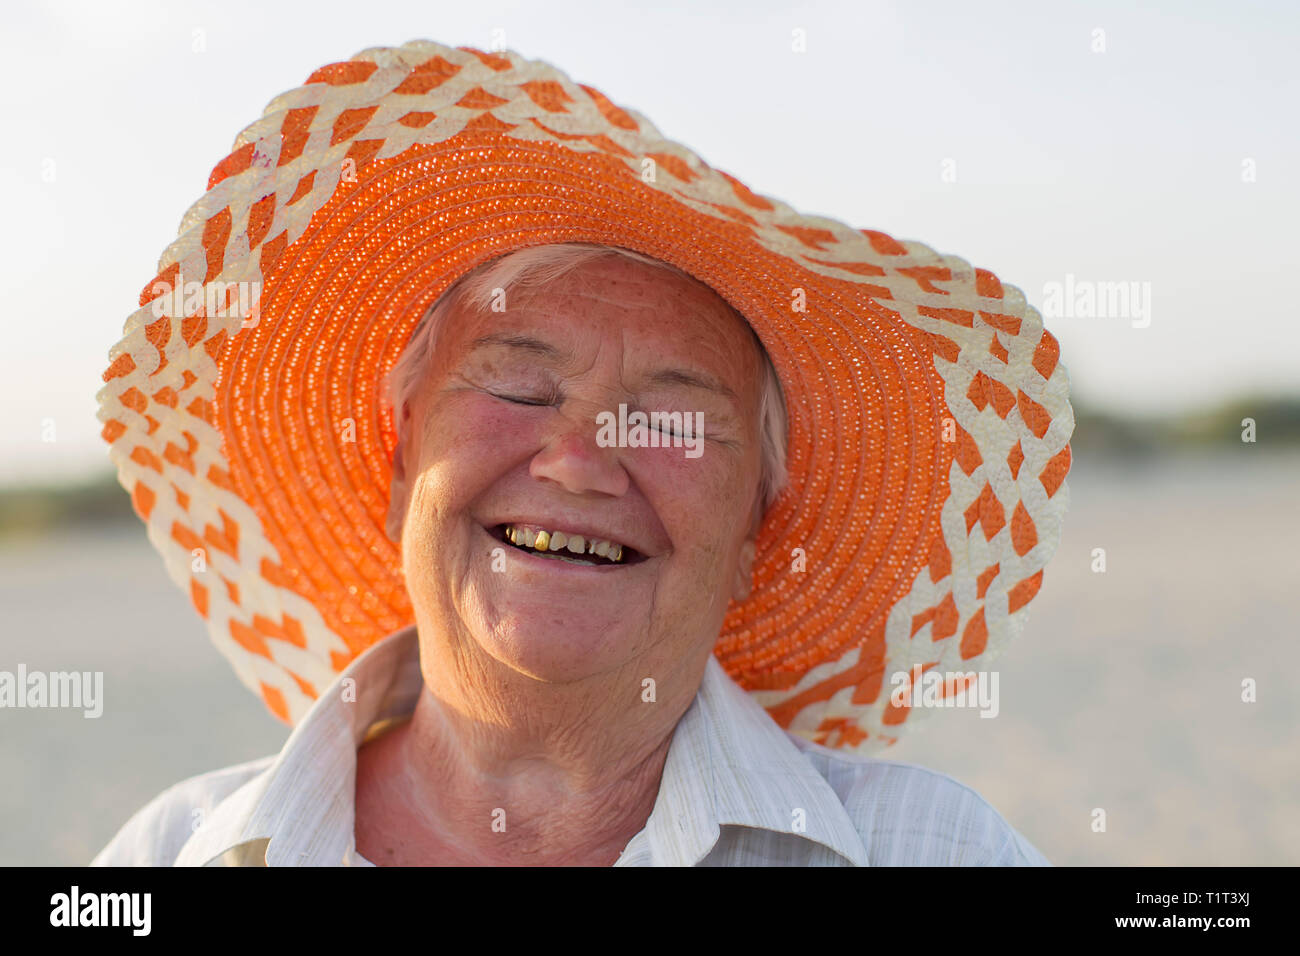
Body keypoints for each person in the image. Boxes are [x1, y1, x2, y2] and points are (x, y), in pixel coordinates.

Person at [92, 40, 1072, 866]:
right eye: (518, 387)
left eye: (669, 419)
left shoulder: (927, 847)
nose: (577, 461)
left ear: (749, 535)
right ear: (397, 469)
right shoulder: (173, 850)